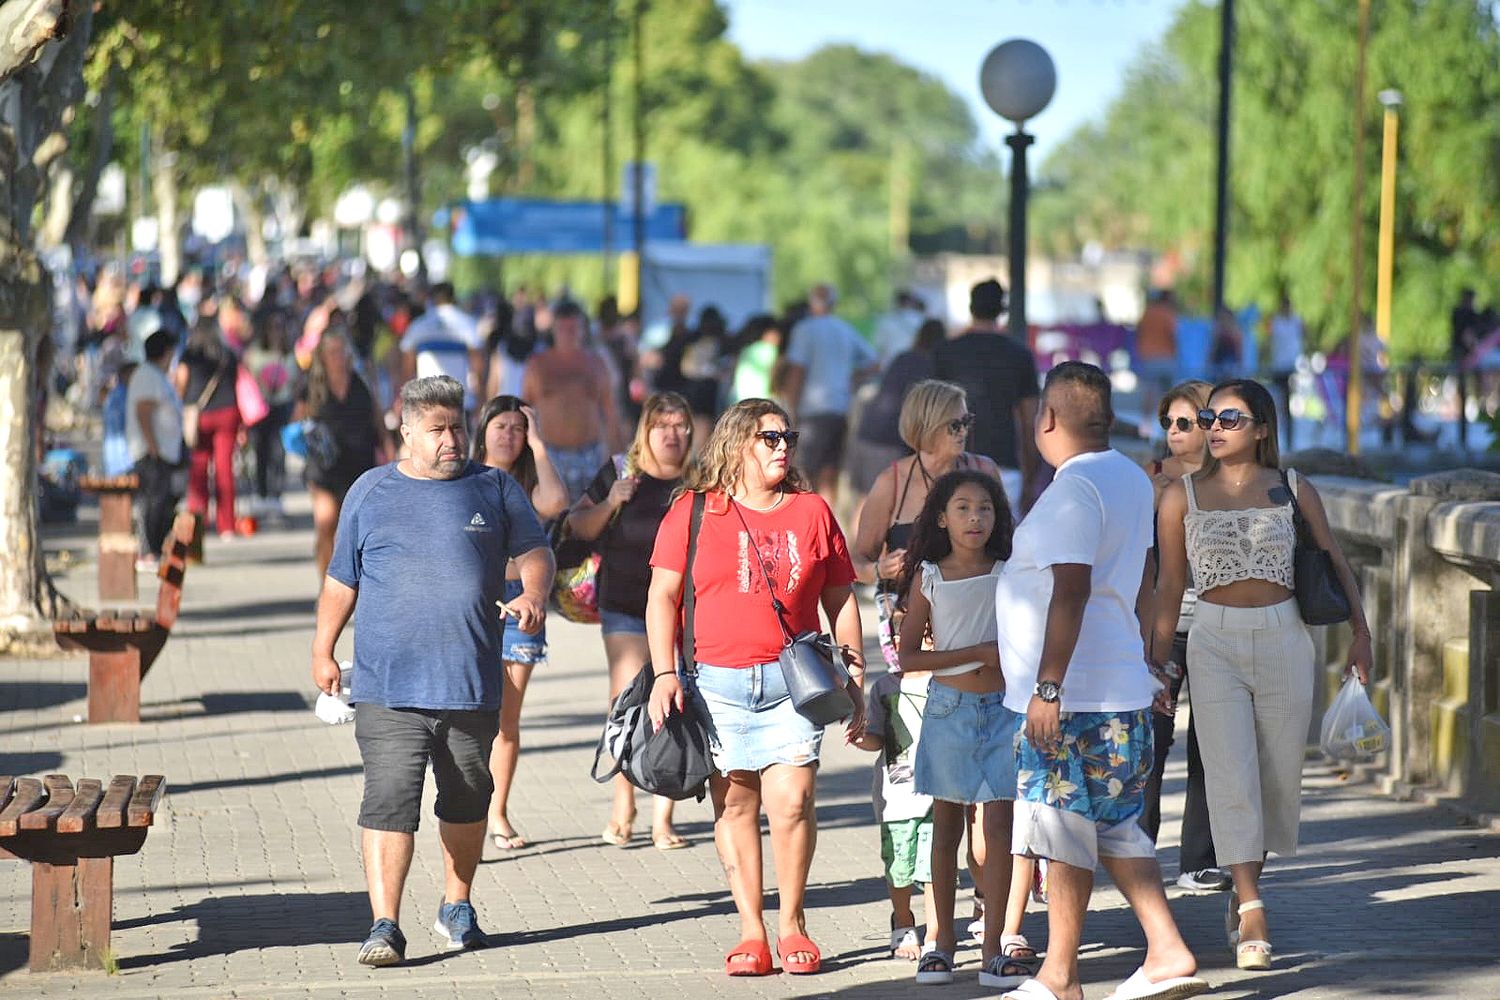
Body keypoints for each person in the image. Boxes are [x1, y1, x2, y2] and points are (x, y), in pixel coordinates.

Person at [311, 375, 555, 967]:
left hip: (470, 682)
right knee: (389, 799)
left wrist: (533, 594)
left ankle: (457, 904)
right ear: (407, 430)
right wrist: (322, 649)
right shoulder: (370, 492)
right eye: (438, 429)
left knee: (468, 800)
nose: (453, 440)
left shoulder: (493, 487)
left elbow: (536, 552)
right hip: (388, 685)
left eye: (458, 427)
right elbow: (342, 578)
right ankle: (385, 925)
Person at [996, 361, 1206, 1000]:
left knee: (1059, 829)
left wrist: (1048, 687)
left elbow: (1072, 588)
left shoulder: (1072, 490)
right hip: (1119, 687)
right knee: (1115, 829)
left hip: (1073, 697)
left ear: (1048, 418)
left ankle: (1059, 977)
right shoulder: (1130, 481)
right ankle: (1166, 949)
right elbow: (1140, 580)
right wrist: (1150, 661)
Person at [1151, 378, 1373, 973]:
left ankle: (1241, 888)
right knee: (1229, 773)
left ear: (1263, 429)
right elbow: (1170, 586)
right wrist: (1155, 663)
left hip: (1284, 637)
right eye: (1208, 418)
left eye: (1229, 417)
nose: (1214, 427)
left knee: (1275, 780)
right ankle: (1251, 905)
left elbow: (1334, 561)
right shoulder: (1181, 496)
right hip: (1213, 640)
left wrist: (1361, 633)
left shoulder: (1294, 488)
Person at [645, 398, 867, 978]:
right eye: (770, 438)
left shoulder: (813, 511)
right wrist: (664, 673)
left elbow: (841, 598)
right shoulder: (694, 511)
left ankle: (792, 922)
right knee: (736, 802)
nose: (783, 447)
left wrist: (857, 671)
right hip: (716, 681)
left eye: (788, 437)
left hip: (797, 682)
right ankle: (752, 929)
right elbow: (662, 598)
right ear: (738, 443)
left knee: (792, 802)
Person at [894, 470, 1034, 989]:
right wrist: (975, 653)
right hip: (948, 710)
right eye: (963, 508)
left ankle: (995, 944)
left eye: (985, 509)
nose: (975, 518)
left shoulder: (1011, 570)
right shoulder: (930, 575)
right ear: (941, 518)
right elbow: (909, 655)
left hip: (1004, 711)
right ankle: (941, 941)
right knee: (946, 830)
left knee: (998, 831)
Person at [566, 391, 694, 850]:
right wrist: (611, 502)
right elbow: (576, 525)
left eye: (680, 426)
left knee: (675, 704)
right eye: (663, 425)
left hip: (683, 613)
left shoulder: (699, 480)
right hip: (624, 604)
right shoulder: (622, 472)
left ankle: (664, 815)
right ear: (646, 429)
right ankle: (624, 803)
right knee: (626, 703)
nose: (672, 435)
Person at [1136, 381, 1226, 893]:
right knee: (1150, 737)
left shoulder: (1231, 483)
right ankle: (1137, 851)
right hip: (1161, 626)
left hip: (1217, 625)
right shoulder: (1150, 481)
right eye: (1168, 422)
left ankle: (1198, 859)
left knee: (1211, 743)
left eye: (1185, 423)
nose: (1174, 432)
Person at [472, 395, 570, 850]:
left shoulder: (528, 483)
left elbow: (557, 502)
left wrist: (540, 444)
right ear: (483, 430)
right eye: (502, 426)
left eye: (518, 428)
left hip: (521, 605)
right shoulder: (466, 477)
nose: (509, 435)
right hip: (473, 602)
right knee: (470, 712)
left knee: (505, 718)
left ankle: (497, 812)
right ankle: (464, 806)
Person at [933, 280, 1041, 515]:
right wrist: (1031, 478)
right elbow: (1030, 420)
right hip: (1004, 465)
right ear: (1001, 310)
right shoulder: (1019, 355)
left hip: (951, 464)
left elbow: (931, 415)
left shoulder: (945, 352)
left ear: (971, 307)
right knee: (1003, 546)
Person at [853, 664, 934, 963]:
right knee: (899, 868)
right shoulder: (884, 687)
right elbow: (876, 737)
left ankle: (937, 935)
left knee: (934, 867)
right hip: (897, 795)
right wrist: (859, 736)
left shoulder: (946, 682)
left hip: (939, 790)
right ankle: (903, 921)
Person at [296, 328, 388, 580]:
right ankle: (326, 583)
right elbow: (297, 422)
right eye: (332, 352)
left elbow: (377, 416)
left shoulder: (362, 381)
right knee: (326, 523)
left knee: (353, 531)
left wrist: (388, 449)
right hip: (323, 467)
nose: (339, 357)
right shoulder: (311, 385)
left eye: (342, 351)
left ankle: (350, 583)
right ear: (322, 356)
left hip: (359, 466)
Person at [781, 284, 879, 504]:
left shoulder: (804, 329)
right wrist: (850, 377)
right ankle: (827, 523)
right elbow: (874, 363)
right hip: (839, 408)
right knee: (829, 475)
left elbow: (797, 371)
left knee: (804, 473)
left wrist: (790, 410)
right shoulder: (844, 329)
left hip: (811, 411)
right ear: (833, 303)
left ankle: (807, 526)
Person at [522, 301, 625, 502]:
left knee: (588, 515)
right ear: (554, 330)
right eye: (562, 328)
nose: (568, 333)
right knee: (551, 515)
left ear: (582, 330)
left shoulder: (596, 364)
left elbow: (611, 412)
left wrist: (618, 458)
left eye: (573, 328)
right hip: (550, 454)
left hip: (590, 454)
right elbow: (525, 410)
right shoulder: (538, 364)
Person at [849, 319, 944, 495]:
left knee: (866, 499)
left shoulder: (903, 357)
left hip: (867, 431)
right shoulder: (928, 365)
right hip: (890, 440)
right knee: (879, 501)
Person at [174, 314, 242, 540]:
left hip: (199, 415)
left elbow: (180, 384)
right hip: (228, 413)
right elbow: (237, 384)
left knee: (198, 469)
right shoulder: (228, 355)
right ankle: (227, 525)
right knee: (225, 470)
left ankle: (198, 524)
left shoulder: (190, 355)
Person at [126, 328, 184, 568]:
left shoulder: (156, 375)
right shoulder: (147, 375)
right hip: (152, 452)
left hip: (163, 451)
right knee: (152, 502)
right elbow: (144, 412)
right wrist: (153, 446)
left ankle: (157, 547)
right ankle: (148, 550)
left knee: (162, 501)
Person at [399, 282, 485, 414]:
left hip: (426, 402)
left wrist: (404, 401)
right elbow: (478, 366)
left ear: (432, 299)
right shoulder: (468, 324)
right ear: (453, 297)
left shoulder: (418, 326)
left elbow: (406, 368)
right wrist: (480, 399)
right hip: (460, 402)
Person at [244, 308, 296, 519]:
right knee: (259, 451)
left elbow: (295, 380)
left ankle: (275, 495)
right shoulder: (255, 353)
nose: (277, 332)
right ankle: (261, 493)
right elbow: (247, 378)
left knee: (278, 453)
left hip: (282, 406)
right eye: (273, 327)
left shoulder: (289, 354)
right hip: (260, 409)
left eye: (280, 327)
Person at [1134, 290, 1178, 440]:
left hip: (1148, 356)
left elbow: (1138, 331)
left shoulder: (1147, 313)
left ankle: (1145, 427)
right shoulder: (1168, 314)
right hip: (1165, 357)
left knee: (1149, 391)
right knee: (1167, 394)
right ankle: (1167, 426)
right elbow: (1174, 335)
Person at [1267, 293, 1303, 448]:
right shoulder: (1276, 322)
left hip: (1291, 368)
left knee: (1288, 406)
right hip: (1278, 367)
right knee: (1277, 405)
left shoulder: (1297, 322)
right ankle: (1278, 439)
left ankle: (1289, 440)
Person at [874, 290, 926, 367]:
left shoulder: (886, 320)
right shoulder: (921, 320)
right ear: (911, 302)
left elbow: (879, 344)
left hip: (890, 365)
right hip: (914, 364)